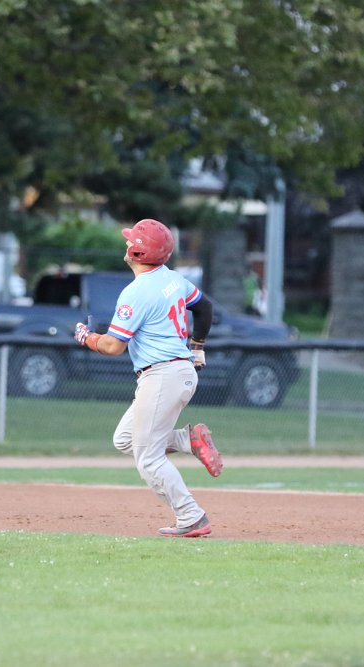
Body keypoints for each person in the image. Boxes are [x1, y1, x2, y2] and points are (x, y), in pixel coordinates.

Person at [73, 218, 223, 537]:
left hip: (162, 375)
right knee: (125, 439)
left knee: (148, 458)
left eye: (131, 241)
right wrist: (197, 347)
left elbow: (113, 346)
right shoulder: (173, 279)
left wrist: (86, 337)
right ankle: (187, 440)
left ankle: (191, 517)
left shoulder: (136, 292)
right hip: (177, 372)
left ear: (138, 253)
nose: (127, 243)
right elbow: (205, 308)